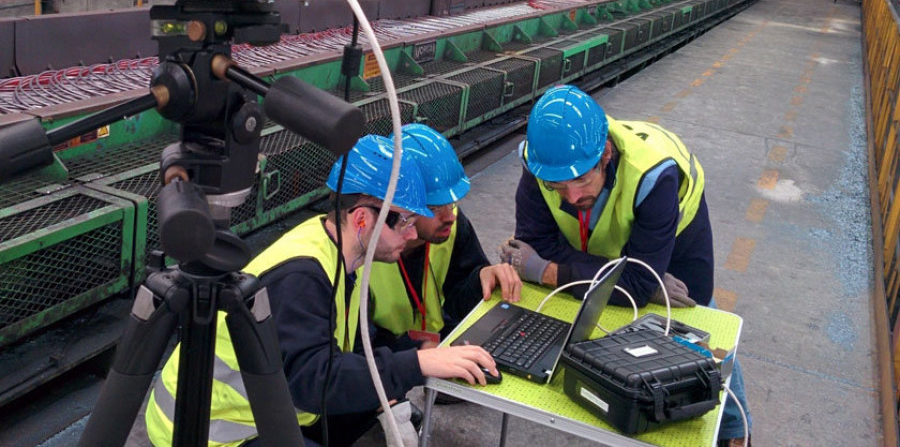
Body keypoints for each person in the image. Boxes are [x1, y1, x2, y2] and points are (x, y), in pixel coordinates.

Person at [145, 134, 498, 447]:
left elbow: (344, 347)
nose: (410, 235)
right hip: (208, 431)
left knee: (376, 393)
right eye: (404, 221)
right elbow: (314, 382)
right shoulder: (303, 276)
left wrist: (414, 348)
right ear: (362, 220)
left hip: (265, 408)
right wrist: (418, 364)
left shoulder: (337, 253)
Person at [500, 85, 751, 445]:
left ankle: (734, 430)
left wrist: (546, 270)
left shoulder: (654, 177)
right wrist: (632, 275)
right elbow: (536, 242)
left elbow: (622, 281)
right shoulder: (543, 162)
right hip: (617, 248)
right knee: (618, 294)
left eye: (582, 180)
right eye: (557, 186)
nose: (571, 197)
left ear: (605, 153)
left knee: (698, 324)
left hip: (678, 237)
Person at [369, 123, 522, 351]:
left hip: (429, 343)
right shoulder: (361, 250)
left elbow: (457, 300)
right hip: (376, 358)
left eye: (450, 203)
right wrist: (413, 352)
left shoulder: (452, 224)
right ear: (399, 205)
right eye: (434, 207)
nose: (449, 216)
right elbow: (353, 346)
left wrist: (483, 276)